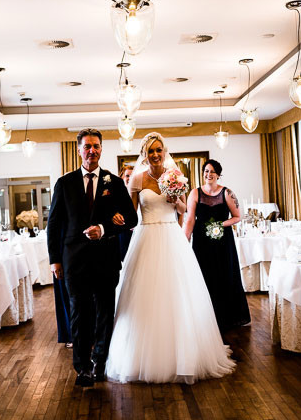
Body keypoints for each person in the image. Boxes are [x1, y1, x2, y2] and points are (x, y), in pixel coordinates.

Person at [105, 132, 236, 384]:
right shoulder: (137, 179)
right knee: (144, 296)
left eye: (159, 150)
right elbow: (132, 215)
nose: (155, 154)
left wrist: (175, 199)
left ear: (164, 152)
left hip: (170, 236)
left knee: (178, 295)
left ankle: (182, 356)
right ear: (144, 153)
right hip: (145, 236)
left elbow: (184, 209)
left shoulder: (173, 175)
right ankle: (142, 357)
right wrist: (117, 218)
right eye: (151, 151)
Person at [46, 129, 137, 387]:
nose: (92, 151)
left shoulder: (114, 183)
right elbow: (53, 224)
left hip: (106, 260)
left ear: (101, 149)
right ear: (78, 150)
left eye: (96, 146)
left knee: (105, 314)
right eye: (87, 146)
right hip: (74, 262)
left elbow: (132, 219)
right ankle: (82, 368)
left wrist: (106, 228)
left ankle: (100, 362)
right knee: (79, 314)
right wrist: (55, 260)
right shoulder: (64, 184)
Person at [183, 159, 251, 331]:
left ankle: (227, 316)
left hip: (223, 242)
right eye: (206, 171)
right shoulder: (195, 193)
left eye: (212, 171)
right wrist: (185, 240)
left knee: (225, 274)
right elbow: (190, 219)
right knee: (204, 275)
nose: (208, 174)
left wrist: (220, 225)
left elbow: (237, 216)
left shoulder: (227, 193)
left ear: (219, 174)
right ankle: (206, 316)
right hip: (202, 242)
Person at [117, 165, 135, 261]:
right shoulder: (117, 194)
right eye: (127, 176)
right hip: (123, 232)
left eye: (133, 176)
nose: (130, 178)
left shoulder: (142, 194)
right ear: (122, 177)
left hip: (139, 231)